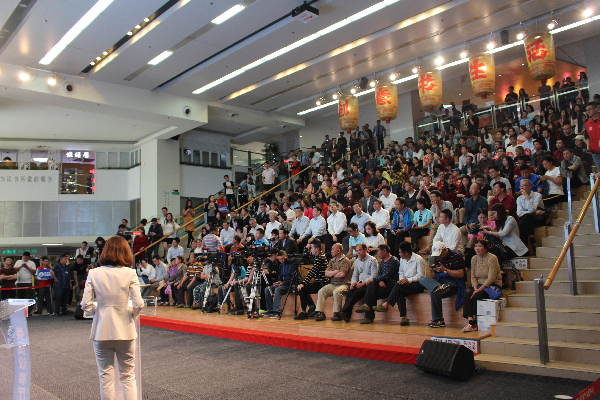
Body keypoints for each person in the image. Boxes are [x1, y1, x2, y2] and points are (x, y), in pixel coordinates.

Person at [81, 235, 144, 400]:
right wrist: (130, 315)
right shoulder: (130, 273)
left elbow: (85, 305)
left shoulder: (94, 273)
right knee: (128, 376)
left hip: (101, 330)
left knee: (105, 376)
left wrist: (99, 311)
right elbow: (139, 304)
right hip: (126, 330)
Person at [374, 241, 426, 326]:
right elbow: (401, 272)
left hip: (417, 284)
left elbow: (421, 276)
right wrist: (402, 280)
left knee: (398, 286)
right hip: (406, 283)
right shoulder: (402, 259)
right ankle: (404, 317)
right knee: (399, 292)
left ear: (406, 253)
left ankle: (386, 304)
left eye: (400, 252)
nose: (399, 254)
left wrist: (407, 280)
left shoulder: (418, 259)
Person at [418, 241, 467, 328]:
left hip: (453, 282)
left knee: (434, 292)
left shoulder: (456, 256)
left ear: (445, 250)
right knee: (421, 279)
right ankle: (439, 288)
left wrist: (445, 270)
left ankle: (438, 319)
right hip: (441, 282)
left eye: (440, 255)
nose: (439, 257)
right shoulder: (437, 258)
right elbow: (435, 277)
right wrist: (434, 271)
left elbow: (461, 274)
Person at [462, 239, 502, 332]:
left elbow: (491, 278)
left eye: (480, 246)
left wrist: (479, 289)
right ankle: (471, 322)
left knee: (477, 295)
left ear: (486, 248)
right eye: (476, 246)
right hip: (479, 285)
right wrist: (475, 287)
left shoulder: (492, 258)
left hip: (492, 285)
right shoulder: (474, 258)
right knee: (467, 296)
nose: (477, 248)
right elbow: (473, 276)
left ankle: (476, 321)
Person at [354, 244, 399, 324]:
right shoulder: (382, 262)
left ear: (384, 251)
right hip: (383, 284)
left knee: (371, 290)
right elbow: (379, 274)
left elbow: (387, 275)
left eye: (378, 251)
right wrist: (380, 281)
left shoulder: (394, 261)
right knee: (371, 288)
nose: (377, 254)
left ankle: (368, 311)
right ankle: (367, 310)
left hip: (391, 286)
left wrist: (375, 279)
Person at [313, 243, 353, 322]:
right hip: (333, 284)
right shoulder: (332, 261)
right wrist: (336, 271)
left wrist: (331, 273)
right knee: (321, 291)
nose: (331, 251)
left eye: (332, 249)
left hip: (344, 284)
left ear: (338, 251)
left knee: (336, 292)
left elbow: (342, 274)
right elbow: (326, 273)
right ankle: (320, 312)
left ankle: (337, 313)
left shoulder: (345, 260)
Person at [294, 239, 328, 320]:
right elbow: (306, 255)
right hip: (318, 282)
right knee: (302, 288)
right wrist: (306, 247)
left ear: (317, 249)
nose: (310, 250)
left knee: (303, 288)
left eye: (312, 248)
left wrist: (303, 283)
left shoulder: (320, 257)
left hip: (322, 283)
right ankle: (311, 307)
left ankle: (304, 311)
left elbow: (312, 272)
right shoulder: (318, 256)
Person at [263, 251, 296, 317]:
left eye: (282, 259)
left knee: (278, 290)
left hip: (290, 285)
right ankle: (270, 310)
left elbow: (295, 279)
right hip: (283, 284)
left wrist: (283, 283)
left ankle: (277, 311)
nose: (281, 261)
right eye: (279, 259)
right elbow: (280, 277)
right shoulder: (281, 266)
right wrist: (278, 282)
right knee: (267, 289)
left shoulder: (293, 265)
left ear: (286, 257)